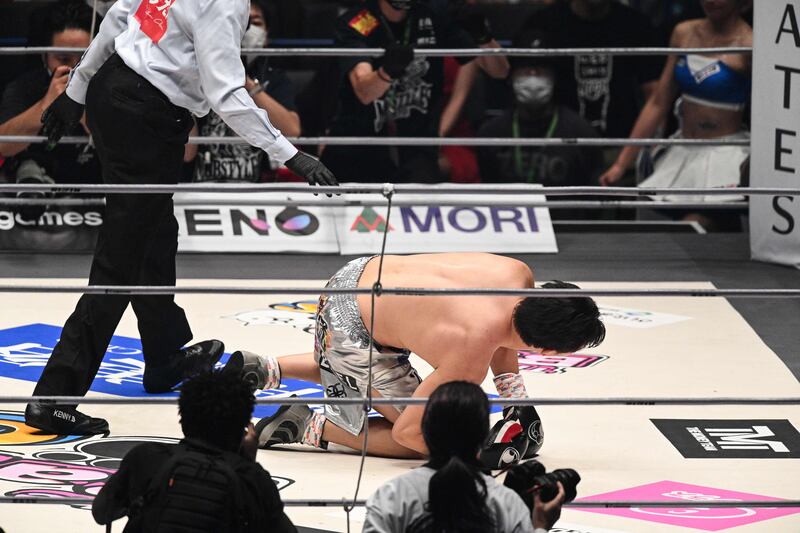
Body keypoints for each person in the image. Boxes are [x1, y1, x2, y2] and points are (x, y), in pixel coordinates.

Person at [28, 0, 338, 435]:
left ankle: (163, 357)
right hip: (146, 115)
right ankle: (53, 399)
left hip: (117, 94)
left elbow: (119, 15)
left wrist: (78, 90)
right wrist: (290, 155)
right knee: (122, 258)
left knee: (155, 231)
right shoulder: (226, 3)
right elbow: (226, 93)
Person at [227, 253, 605, 461]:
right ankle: (307, 426)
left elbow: (507, 330)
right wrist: (472, 459)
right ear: (546, 351)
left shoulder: (517, 274)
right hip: (353, 330)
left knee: (357, 371)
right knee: (429, 437)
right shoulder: (470, 356)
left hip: (357, 273)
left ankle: (265, 369)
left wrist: (516, 401)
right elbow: (409, 432)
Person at [599, 0, 752, 231]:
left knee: (697, 227)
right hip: (680, 150)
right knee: (655, 230)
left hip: (725, 156)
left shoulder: (750, 44)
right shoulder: (684, 32)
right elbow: (659, 101)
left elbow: (766, 108)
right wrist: (622, 163)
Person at [320, 0, 509, 182]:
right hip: (360, 147)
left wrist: (483, 36)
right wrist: (387, 72)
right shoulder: (360, 22)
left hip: (417, 149)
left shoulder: (434, 16)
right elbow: (364, 92)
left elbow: (500, 71)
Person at [92, 370, 297, 533]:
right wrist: (247, 463)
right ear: (244, 427)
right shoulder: (253, 479)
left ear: (183, 415)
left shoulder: (146, 457)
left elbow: (101, 512)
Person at [362, 381, 565, 533]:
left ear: (425, 431)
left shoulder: (392, 495)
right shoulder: (505, 503)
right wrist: (540, 525)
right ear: (483, 437)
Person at [477, 29, 603, 218]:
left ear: (554, 76)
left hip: (567, 231)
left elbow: (592, 203)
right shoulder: (490, 134)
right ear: (512, 75)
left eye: (541, 68)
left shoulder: (581, 133)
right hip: (507, 226)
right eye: (526, 68)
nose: (533, 75)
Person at [0, 1, 102, 219]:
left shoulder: (111, 88)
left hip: (97, 199)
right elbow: (3, 146)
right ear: (44, 56)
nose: (76, 69)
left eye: (85, 59)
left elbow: (130, 155)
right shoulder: (24, 87)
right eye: (64, 59)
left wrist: (87, 113)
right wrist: (46, 105)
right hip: (33, 199)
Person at [184, 0, 302, 183]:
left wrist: (244, 81)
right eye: (242, 22)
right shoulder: (202, 73)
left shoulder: (272, 77)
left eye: (255, 23)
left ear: (267, 34)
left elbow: (292, 130)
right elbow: (186, 153)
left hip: (254, 192)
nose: (247, 30)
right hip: (200, 188)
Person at [522, 0, 663, 139]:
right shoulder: (544, 24)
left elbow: (656, 97)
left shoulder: (636, 25)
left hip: (620, 145)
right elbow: (524, 89)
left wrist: (632, 156)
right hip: (558, 148)